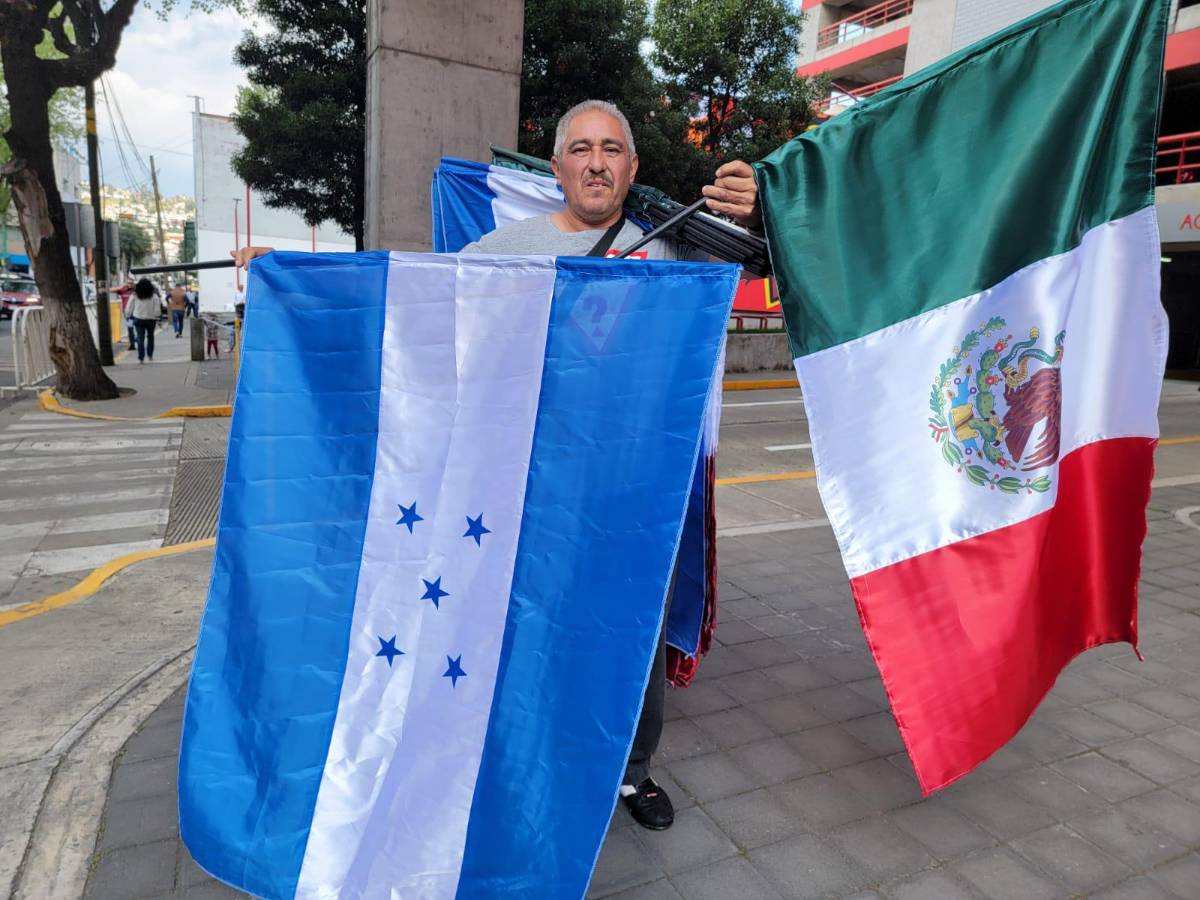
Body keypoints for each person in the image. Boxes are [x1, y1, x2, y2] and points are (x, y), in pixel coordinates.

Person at [231, 99, 762, 833]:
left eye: (612, 150)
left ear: (632, 166)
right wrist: (293, 270)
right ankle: (522, 757)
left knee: (632, 631)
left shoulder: (672, 247)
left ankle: (631, 772)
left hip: (635, 490)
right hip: (532, 487)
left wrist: (752, 206)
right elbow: (408, 300)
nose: (597, 164)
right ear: (558, 167)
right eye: (582, 150)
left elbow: (761, 261)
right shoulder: (506, 249)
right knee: (526, 624)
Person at [126, 278, 160, 364]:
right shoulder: (154, 296)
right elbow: (157, 310)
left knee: (140, 338)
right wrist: (156, 316)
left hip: (138, 319)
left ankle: (141, 358)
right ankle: (150, 355)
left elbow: (129, 307)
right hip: (151, 319)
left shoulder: (134, 295)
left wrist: (128, 315)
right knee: (150, 337)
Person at [109, 279, 137, 347]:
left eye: (131, 283)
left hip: (136, 313)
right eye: (128, 283)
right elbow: (110, 290)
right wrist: (121, 286)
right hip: (128, 314)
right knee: (130, 328)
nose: (130, 284)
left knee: (138, 327)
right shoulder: (123, 290)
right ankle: (132, 343)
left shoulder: (135, 291)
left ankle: (137, 339)